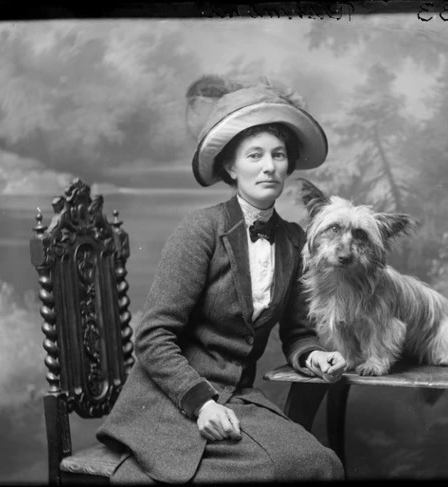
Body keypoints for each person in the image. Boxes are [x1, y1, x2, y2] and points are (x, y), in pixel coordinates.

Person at [96, 81, 346, 483]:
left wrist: (315, 357)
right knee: (266, 472)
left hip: (237, 400)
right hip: (173, 400)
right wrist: (202, 404)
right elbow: (154, 336)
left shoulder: (295, 240)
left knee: (321, 464)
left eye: (278, 155)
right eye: (255, 155)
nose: (269, 166)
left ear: (288, 165)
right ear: (232, 167)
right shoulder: (201, 229)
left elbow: (298, 333)